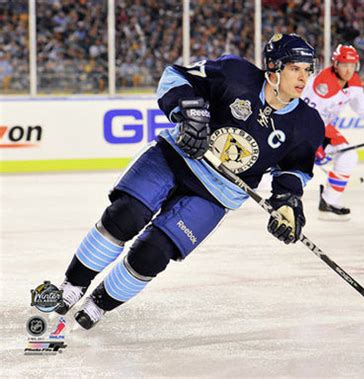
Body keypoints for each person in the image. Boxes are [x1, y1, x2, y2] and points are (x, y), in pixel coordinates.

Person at [55, 33, 325, 329]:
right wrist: (188, 115)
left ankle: (99, 304)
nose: (303, 77)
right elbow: (175, 77)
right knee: (125, 215)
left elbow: (293, 170)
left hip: (217, 194)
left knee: (153, 254)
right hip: (176, 157)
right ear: (273, 67)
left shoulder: (307, 123)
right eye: (295, 68)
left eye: (307, 70)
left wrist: (287, 203)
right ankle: (73, 286)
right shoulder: (235, 74)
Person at [302, 44, 364, 221]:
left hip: (322, 128)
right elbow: (303, 117)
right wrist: (312, 145)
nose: (348, 69)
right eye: (344, 64)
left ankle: (328, 201)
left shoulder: (354, 82)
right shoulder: (322, 85)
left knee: (348, 156)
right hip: (300, 127)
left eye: (352, 65)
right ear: (335, 64)